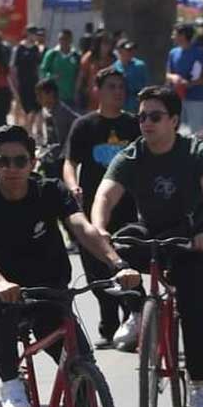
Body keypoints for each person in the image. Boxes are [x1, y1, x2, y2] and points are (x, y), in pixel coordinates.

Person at [0, 125, 140, 407]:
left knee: (81, 365)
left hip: (49, 291)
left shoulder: (51, 191)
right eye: (4, 161)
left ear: (33, 163)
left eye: (20, 161)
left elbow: (82, 228)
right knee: (1, 301)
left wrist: (118, 264)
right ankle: (11, 386)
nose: (12, 168)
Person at [91, 85, 203, 407]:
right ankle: (137, 310)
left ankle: (197, 384)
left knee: (194, 308)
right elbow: (105, 197)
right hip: (150, 233)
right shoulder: (132, 155)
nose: (146, 124)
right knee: (119, 245)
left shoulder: (198, 152)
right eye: (141, 117)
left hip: (190, 238)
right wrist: (100, 227)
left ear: (174, 120)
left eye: (154, 117)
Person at [62, 67, 141, 348]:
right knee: (96, 271)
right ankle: (108, 324)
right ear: (98, 90)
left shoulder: (133, 125)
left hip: (126, 210)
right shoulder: (84, 126)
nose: (118, 92)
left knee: (124, 265)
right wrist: (73, 186)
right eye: (112, 87)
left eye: (121, 87)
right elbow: (70, 163)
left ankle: (131, 320)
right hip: (92, 213)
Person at [166, 24, 203, 135]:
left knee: (197, 131)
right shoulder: (173, 53)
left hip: (196, 97)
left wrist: (191, 83)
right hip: (176, 97)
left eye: (175, 34)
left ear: (182, 36)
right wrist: (174, 78)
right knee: (174, 129)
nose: (172, 37)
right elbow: (167, 74)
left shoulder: (199, 52)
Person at [34, 78, 79, 182]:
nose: (38, 99)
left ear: (51, 94)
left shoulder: (63, 112)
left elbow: (78, 123)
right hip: (49, 157)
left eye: (41, 95)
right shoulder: (45, 111)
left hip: (61, 158)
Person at [10, 26, 44, 131]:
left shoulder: (36, 48)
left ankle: (31, 130)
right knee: (23, 109)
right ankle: (22, 131)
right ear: (28, 34)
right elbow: (13, 68)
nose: (35, 36)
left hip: (34, 83)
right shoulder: (19, 48)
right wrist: (15, 85)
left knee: (35, 109)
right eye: (33, 33)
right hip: (22, 84)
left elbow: (39, 67)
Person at [40, 29, 82, 110]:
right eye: (61, 39)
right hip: (53, 96)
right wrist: (51, 76)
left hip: (70, 96)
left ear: (71, 40)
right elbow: (42, 71)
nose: (63, 41)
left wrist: (77, 91)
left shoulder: (76, 55)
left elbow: (79, 74)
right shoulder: (52, 54)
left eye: (66, 39)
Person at [77, 30, 116, 111]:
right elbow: (81, 79)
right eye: (104, 43)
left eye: (108, 43)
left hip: (110, 99)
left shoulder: (113, 59)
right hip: (91, 101)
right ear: (98, 44)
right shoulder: (88, 58)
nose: (107, 47)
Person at [113, 40, 149, 112]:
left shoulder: (140, 66)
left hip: (136, 104)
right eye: (128, 50)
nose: (131, 52)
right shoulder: (115, 67)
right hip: (120, 104)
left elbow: (145, 86)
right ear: (120, 51)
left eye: (132, 50)